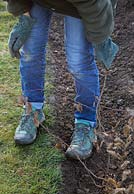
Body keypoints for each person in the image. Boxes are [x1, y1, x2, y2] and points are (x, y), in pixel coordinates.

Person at [4, 0, 119, 160]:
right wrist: (24, 18)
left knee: (78, 60)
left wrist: (100, 38)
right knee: (30, 51)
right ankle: (33, 110)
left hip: (85, 5)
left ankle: (85, 123)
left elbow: (95, 5)